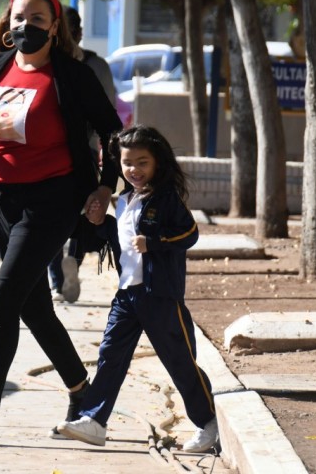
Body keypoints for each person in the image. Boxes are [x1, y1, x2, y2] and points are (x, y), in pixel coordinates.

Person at [0, 0, 122, 447]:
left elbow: (111, 131)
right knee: (33, 307)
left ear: (54, 26)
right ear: (9, 22)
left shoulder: (71, 75)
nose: (27, 26)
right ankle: (83, 393)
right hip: (2, 198)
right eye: (20, 18)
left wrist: (106, 183)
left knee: (3, 301)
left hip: (53, 200)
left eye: (38, 19)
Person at [56, 125, 219, 453]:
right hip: (127, 294)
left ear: (158, 162)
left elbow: (189, 233)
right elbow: (122, 243)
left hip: (159, 294)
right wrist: (101, 223)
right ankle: (94, 421)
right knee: (110, 354)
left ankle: (208, 423)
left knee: (179, 360)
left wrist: (154, 243)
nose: (135, 170)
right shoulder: (127, 199)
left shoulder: (166, 199)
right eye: (128, 163)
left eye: (142, 162)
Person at [48, 5, 118, 303]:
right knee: (84, 212)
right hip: (85, 153)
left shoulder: (44, 63)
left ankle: (56, 279)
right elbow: (110, 116)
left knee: (50, 220)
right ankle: (73, 263)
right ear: (78, 32)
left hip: (49, 155)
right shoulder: (96, 65)